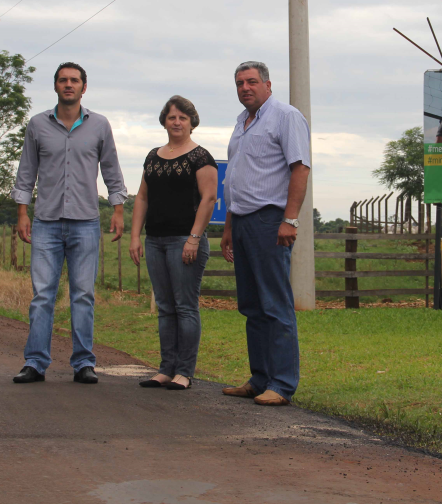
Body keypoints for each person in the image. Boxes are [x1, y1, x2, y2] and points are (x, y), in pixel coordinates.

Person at [10, 62, 128, 384]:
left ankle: (83, 363)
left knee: (83, 295)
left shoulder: (99, 125)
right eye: (63, 80)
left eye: (74, 80)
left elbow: (112, 172)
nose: (69, 85)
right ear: (56, 86)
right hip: (46, 222)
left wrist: (118, 210)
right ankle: (35, 362)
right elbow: (26, 173)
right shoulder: (37, 125)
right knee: (43, 295)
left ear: (84, 88)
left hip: (86, 223)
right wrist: (22, 213)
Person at [220, 61, 311, 407]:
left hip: (269, 221)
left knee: (275, 304)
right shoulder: (241, 124)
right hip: (242, 221)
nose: (245, 87)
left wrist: (290, 220)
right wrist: (229, 226)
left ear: (268, 85)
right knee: (252, 305)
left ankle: (283, 383)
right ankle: (259, 379)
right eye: (240, 83)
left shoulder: (286, 117)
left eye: (252, 82)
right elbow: (236, 179)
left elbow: (300, 167)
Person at [128, 96, 218, 391]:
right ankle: (165, 368)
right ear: (164, 121)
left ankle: (184, 371)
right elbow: (142, 197)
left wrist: (194, 238)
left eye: (182, 117)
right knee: (165, 307)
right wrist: (135, 236)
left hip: (185, 241)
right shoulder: (153, 157)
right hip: (155, 240)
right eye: (171, 117)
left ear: (192, 122)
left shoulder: (201, 157)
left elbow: (209, 198)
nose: (177, 122)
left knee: (185, 307)